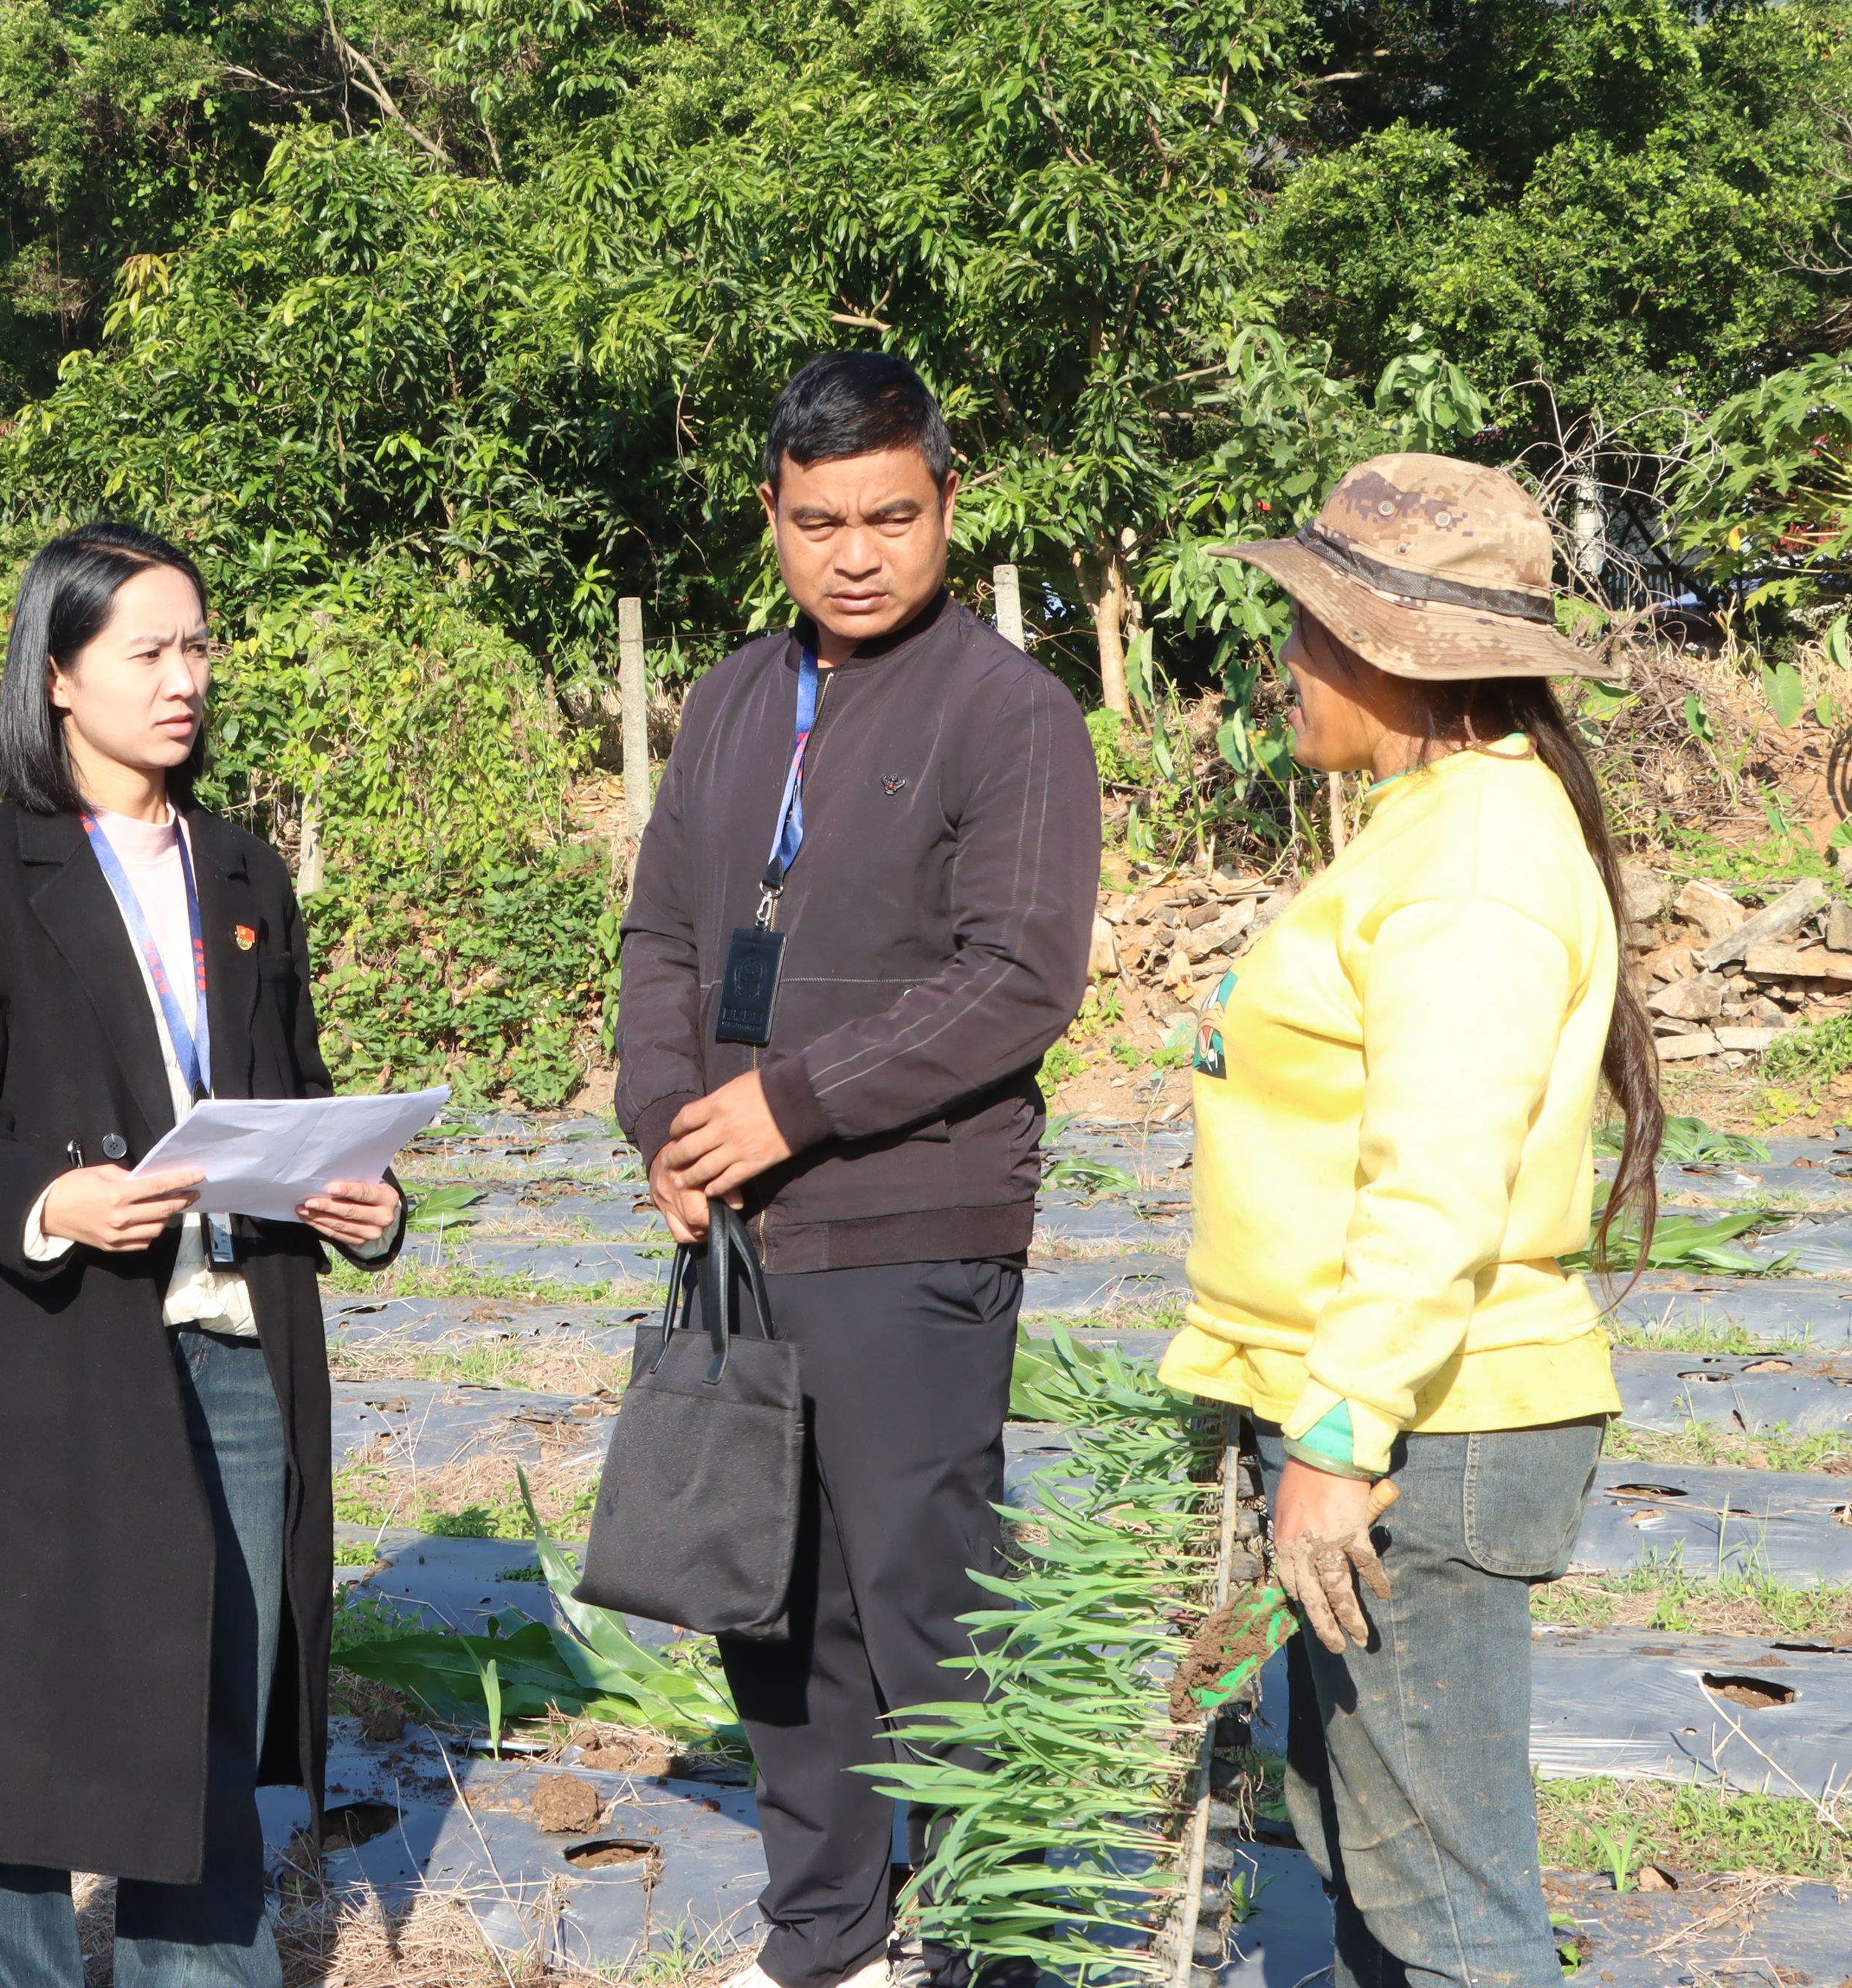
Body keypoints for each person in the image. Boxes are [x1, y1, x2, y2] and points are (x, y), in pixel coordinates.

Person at [616, 351, 1100, 1988]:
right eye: (820, 521)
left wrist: (792, 1105)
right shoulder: (738, 698)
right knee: (773, 1588)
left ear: (948, 504)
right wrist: (667, 1120)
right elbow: (668, 934)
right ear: (772, 516)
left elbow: (1018, 976)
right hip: (741, 1230)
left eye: (894, 515)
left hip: (914, 1220)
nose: (860, 554)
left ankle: (981, 1944)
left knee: (925, 1595)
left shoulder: (1011, 715)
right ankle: (823, 1938)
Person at [0, 522, 406, 1988]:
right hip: (60, 1340)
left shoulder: (243, 872)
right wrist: (55, 1202)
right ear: (59, 677)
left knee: (208, 1723)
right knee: (6, 1725)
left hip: (235, 1344)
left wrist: (364, 1200)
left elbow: (293, 1092)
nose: (186, 681)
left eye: (199, 647)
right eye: (148, 652)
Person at [1161, 454, 1658, 1988]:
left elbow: (1438, 1185)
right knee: (1370, 1855)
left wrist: (1338, 1437)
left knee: (1447, 1911)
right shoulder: (1431, 824)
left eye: (1311, 629)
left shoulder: (1478, 862)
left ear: (1402, 658)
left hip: (1425, 1440)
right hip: (1384, 1423)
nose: (1285, 661)